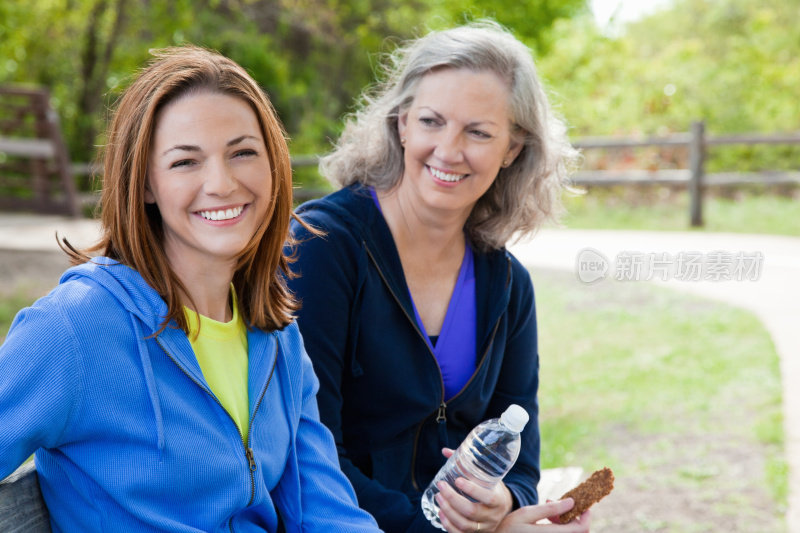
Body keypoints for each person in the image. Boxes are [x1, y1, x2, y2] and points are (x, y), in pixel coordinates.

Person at [0, 46, 382, 533]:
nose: (221, 183)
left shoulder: (279, 338)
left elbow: (328, 511)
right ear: (144, 185)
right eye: (185, 162)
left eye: (243, 153)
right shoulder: (76, 328)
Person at [287, 21, 589, 533]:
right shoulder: (323, 245)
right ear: (401, 123)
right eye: (431, 121)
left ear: (512, 148)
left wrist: (507, 505)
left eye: (478, 132)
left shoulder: (507, 284)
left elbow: (523, 459)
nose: (449, 150)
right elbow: (307, 450)